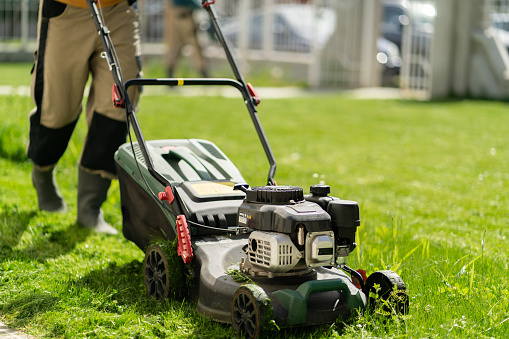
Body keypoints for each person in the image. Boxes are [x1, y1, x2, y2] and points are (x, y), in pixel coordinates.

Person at [28, 0, 142, 235]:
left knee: (117, 104)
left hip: (119, 10)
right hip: (67, 10)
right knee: (56, 109)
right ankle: (43, 173)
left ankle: (90, 206)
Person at [165, 0, 208, 78]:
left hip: (178, 18)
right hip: (185, 19)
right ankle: (205, 76)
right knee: (195, 47)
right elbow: (193, 3)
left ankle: (170, 76)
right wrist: (204, 6)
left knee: (176, 48)